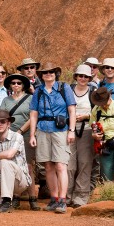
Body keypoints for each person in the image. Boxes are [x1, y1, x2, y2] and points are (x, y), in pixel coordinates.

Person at [29, 62, 76, 214]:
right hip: (43, 129)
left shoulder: (64, 88)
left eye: (51, 72)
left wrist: (71, 130)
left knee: (61, 165)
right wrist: (32, 134)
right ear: (41, 75)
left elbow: (72, 110)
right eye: (45, 72)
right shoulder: (39, 91)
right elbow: (34, 113)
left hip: (60, 130)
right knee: (48, 166)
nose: (48, 74)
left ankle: (63, 199)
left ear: (56, 73)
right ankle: (54, 198)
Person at [0, 73, 40, 211]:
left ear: (23, 85)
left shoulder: (30, 98)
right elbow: (3, 117)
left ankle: (32, 198)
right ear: (10, 86)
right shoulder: (6, 100)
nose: (16, 85)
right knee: (13, 165)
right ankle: (15, 197)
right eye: (13, 83)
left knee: (28, 167)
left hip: (27, 135)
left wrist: (21, 131)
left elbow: (33, 116)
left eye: (18, 83)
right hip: (10, 136)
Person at [66, 65, 96, 207]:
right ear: (76, 76)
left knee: (85, 163)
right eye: (80, 76)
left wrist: (86, 116)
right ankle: (66, 195)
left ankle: (81, 197)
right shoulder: (68, 91)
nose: (83, 79)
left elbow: (99, 112)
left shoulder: (93, 92)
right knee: (69, 164)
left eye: (86, 76)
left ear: (89, 78)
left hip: (87, 130)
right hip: (69, 130)